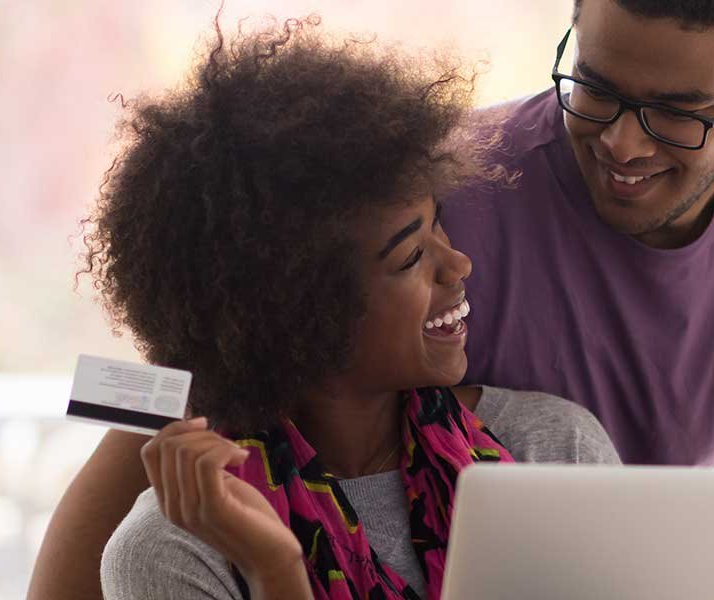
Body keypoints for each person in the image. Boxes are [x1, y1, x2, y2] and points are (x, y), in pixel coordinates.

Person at [32, 0, 714, 595]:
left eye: (677, 111)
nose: (625, 144)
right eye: (594, 89)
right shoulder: (449, 184)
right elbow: (207, 360)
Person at [79, 18, 619, 599]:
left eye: (439, 224)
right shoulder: (172, 550)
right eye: (411, 256)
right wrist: (276, 570)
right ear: (301, 309)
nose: (457, 264)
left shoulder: (554, 451)